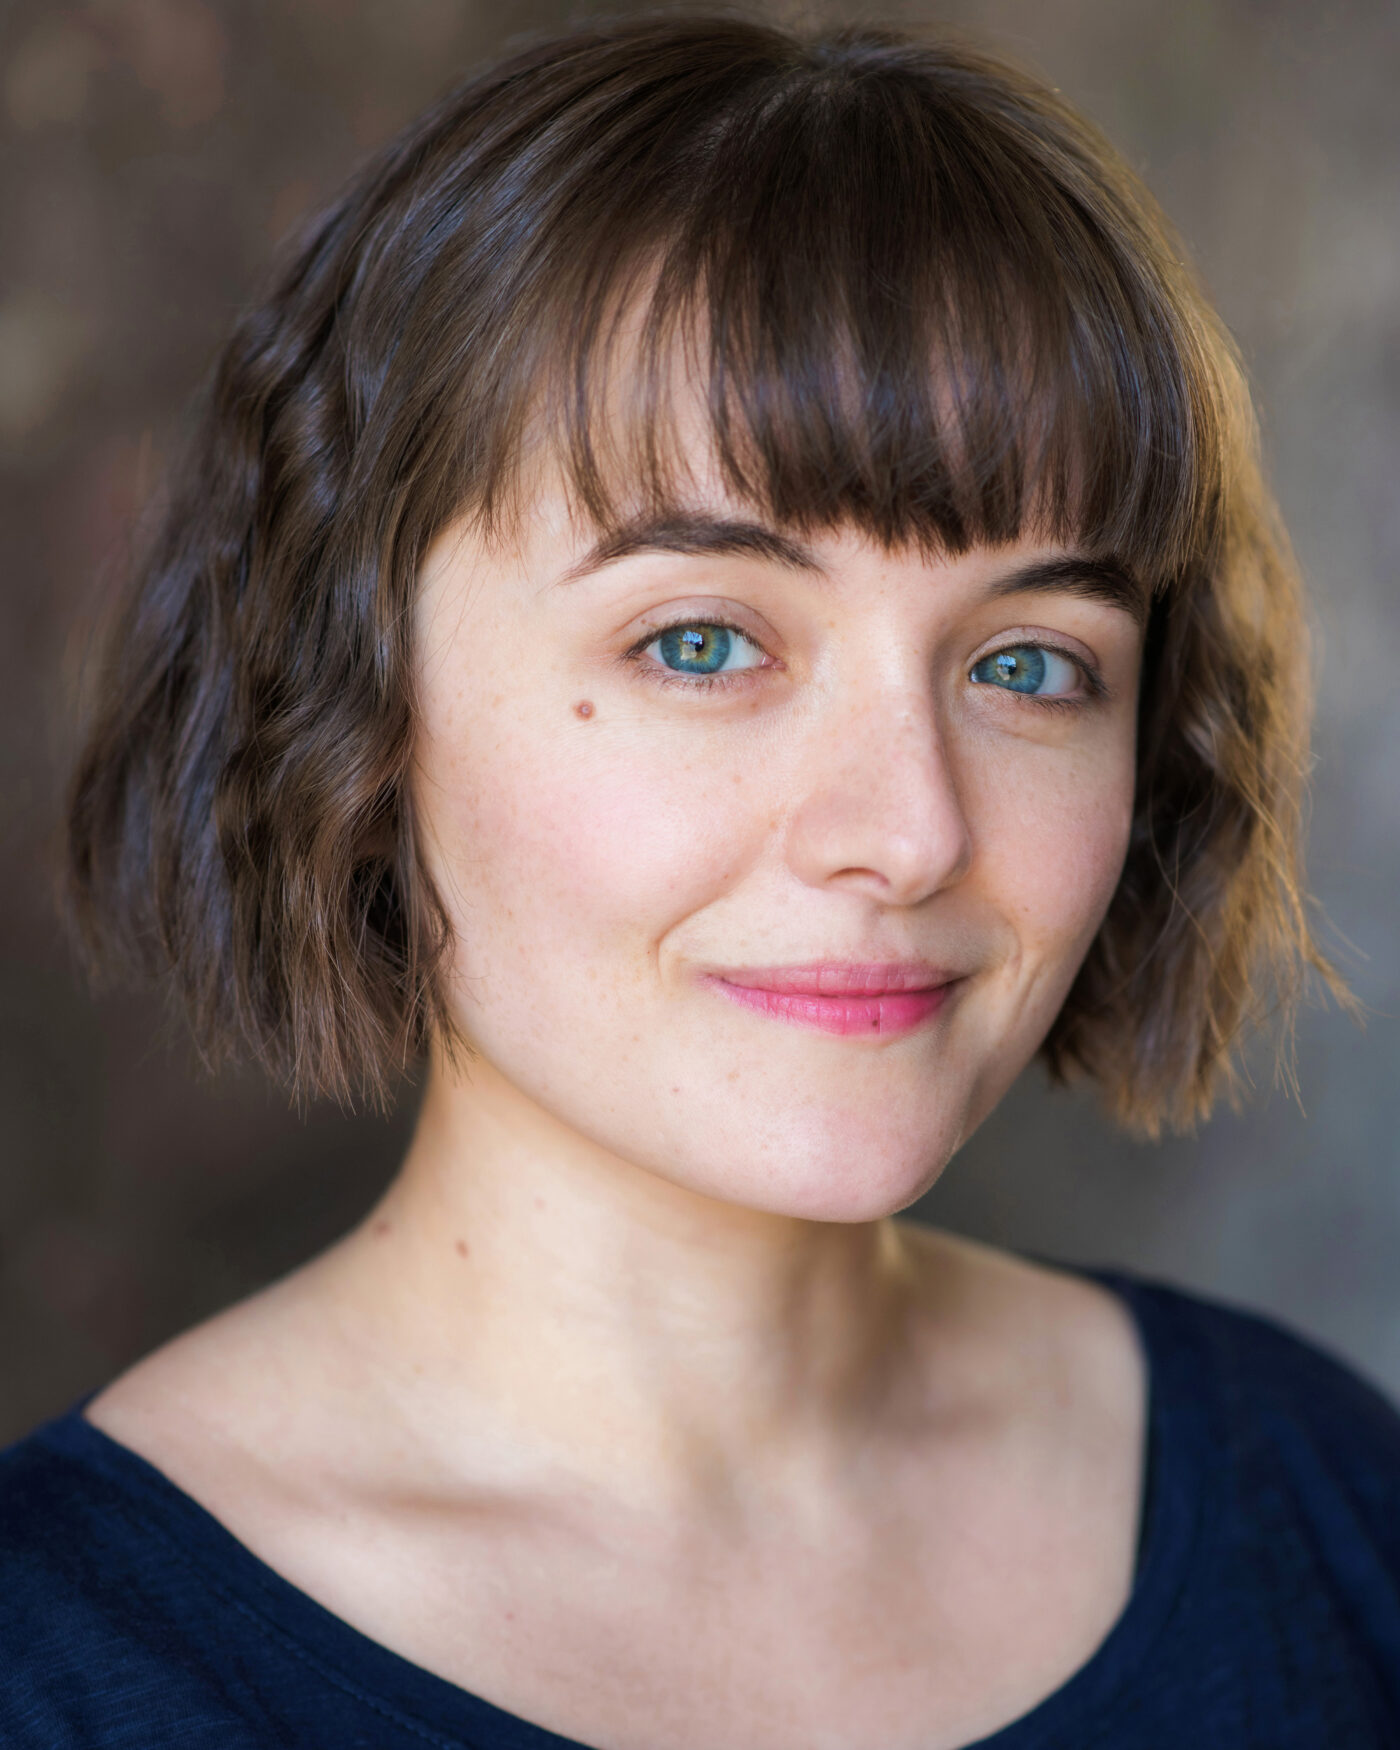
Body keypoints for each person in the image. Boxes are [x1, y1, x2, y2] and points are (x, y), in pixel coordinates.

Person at [4, 11, 1397, 1747]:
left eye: (1030, 664)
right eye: (702, 639)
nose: (912, 831)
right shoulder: (54, 1669)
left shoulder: (1340, 1519)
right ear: (352, 695)